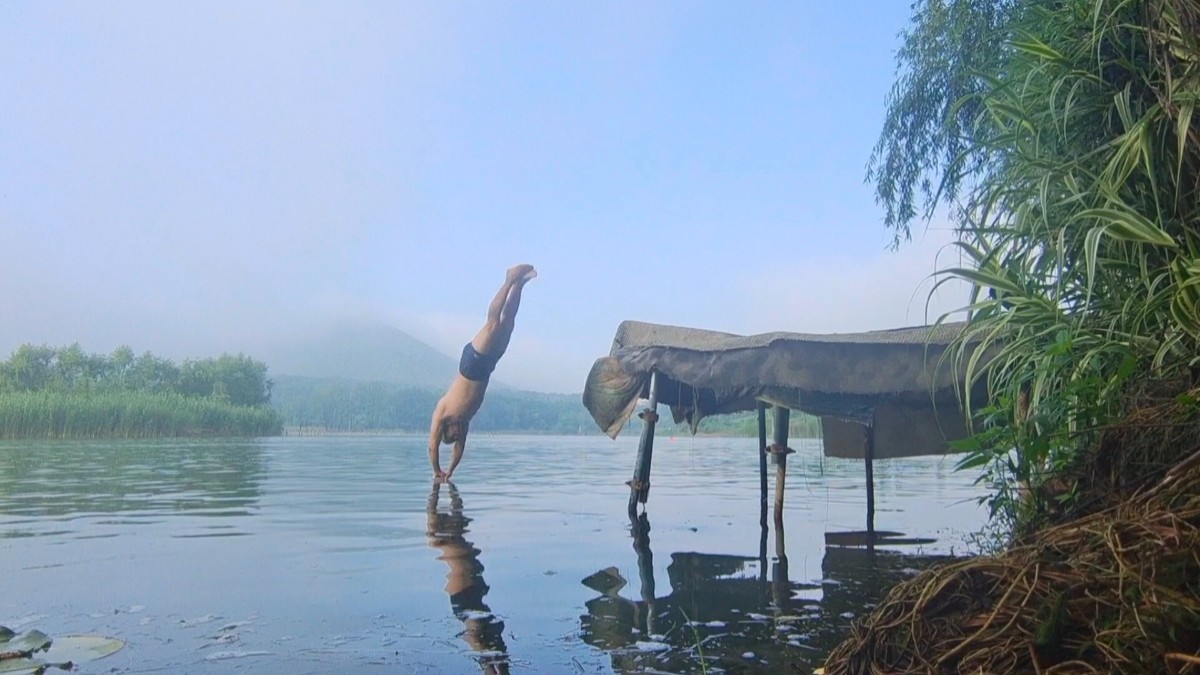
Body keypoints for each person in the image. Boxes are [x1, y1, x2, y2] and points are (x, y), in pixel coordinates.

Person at [428, 264, 536, 482]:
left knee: (493, 324)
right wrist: (451, 471)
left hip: (471, 365)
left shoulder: (443, 411)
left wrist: (437, 470)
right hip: (487, 368)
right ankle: (519, 285)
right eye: (457, 436)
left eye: (453, 435)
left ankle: (509, 279)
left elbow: (432, 446)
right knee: (508, 325)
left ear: (446, 430)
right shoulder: (465, 421)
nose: (458, 434)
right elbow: (459, 449)